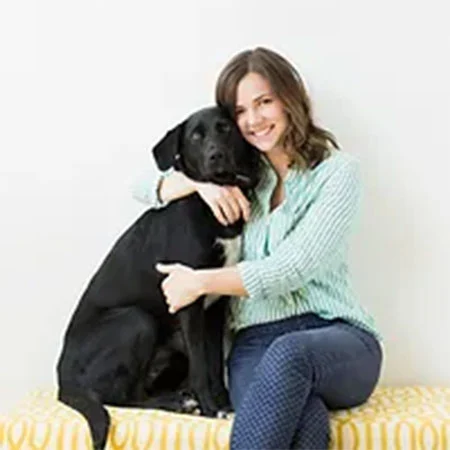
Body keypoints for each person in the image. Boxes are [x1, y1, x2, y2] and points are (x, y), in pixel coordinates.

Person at [132, 47, 383, 450]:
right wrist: (199, 184)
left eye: (264, 102)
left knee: (288, 356)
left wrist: (198, 283)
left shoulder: (338, 174)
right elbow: (141, 185)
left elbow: (292, 268)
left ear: (289, 98)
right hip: (254, 346)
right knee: (305, 421)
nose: (254, 120)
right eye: (241, 111)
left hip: (336, 339)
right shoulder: (246, 177)